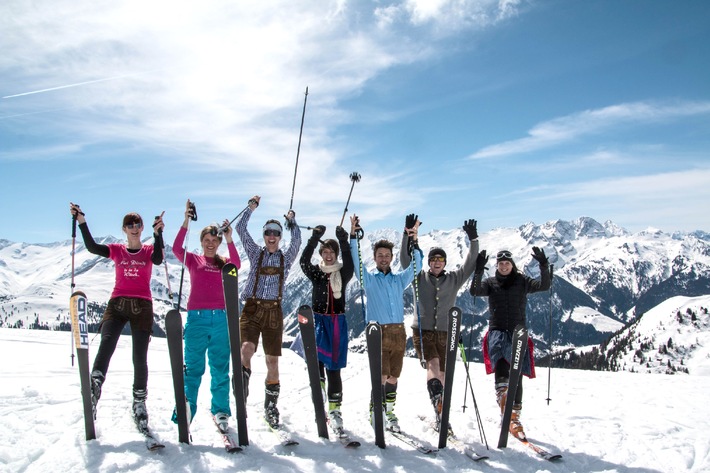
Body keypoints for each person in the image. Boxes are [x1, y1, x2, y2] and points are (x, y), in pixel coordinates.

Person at [68, 202, 164, 431]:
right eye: (129, 225)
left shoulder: (149, 251)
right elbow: (92, 247)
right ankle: (94, 389)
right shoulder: (117, 250)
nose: (134, 228)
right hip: (118, 303)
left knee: (139, 357)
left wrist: (158, 234)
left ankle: (139, 402)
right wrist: (81, 220)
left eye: (137, 224)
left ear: (142, 228)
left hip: (142, 305)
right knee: (107, 344)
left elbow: (159, 259)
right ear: (124, 229)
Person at [400, 216, 479, 432]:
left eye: (440, 259)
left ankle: (439, 414)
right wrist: (406, 236)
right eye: (433, 259)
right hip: (422, 331)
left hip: (446, 333)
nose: (436, 262)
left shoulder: (454, 279)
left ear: (444, 262)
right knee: (433, 365)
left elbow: (470, 264)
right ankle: (440, 407)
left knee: (442, 374)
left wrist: (474, 240)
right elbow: (405, 261)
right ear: (428, 262)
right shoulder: (418, 277)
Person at [171, 199, 241, 430]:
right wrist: (186, 221)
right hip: (197, 319)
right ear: (201, 241)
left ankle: (221, 411)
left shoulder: (224, 263)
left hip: (221, 319)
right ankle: (186, 409)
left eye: (214, 240)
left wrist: (230, 237)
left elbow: (237, 264)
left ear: (219, 242)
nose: (210, 244)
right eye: (207, 240)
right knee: (193, 368)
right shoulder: (193, 260)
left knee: (220, 368)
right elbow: (176, 248)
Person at [350, 214, 422, 433]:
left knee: (393, 376)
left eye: (387, 255)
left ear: (391, 258)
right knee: (380, 375)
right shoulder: (368, 280)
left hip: (398, 332)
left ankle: (389, 410)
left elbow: (417, 266)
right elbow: (356, 261)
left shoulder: (399, 279)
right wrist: (353, 236)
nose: (383, 258)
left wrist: (415, 240)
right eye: (380, 255)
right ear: (375, 258)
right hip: (377, 332)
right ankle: (376, 408)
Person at [469, 247, 550, 440]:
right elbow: (474, 290)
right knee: (501, 365)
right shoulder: (490, 283)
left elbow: (544, 286)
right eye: (501, 264)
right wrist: (478, 270)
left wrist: (544, 265)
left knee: (517, 374)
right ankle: (505, 403)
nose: (504, 266)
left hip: (518, 332)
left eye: (507, 263)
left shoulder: (522, 281)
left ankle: (514, 416)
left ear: (512, 265)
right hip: (497, 331)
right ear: (496, 266)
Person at [235, 195, 301, 428]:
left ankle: (270, 407)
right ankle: (241, 397)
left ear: (279, 236)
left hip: (274, 312)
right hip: (252, 308)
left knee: (273, 362)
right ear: (264, 236)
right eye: (268, 233)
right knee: (246, 350)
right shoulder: (255, 253)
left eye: (275, 233)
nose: (271, 237)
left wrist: (292, 222)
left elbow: (297, 242)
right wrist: (250, 208)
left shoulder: (287, 257)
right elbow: (240, 228)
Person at [299, 224, 354, 435]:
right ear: (321, 254)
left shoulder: (343, 273)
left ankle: (335, 410)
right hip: (319, 322)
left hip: (337, 323)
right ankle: (320, 393)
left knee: (334, 368)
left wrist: (343, 240)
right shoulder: (317, 274)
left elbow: (349, 261)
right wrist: (314, 239)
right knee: (318, 363)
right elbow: (304, 261)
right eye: (325, 252)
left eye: (332, 252)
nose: (329, 255)